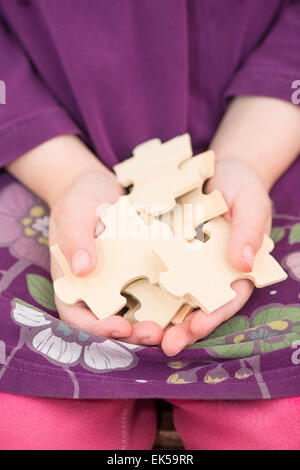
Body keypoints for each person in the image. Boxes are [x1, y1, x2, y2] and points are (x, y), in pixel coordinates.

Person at [0, 0, 299, 450]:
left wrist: (247, 160)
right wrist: (65, 177)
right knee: (29, 429)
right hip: (38, 170)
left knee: (280, 428)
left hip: (272, 152)